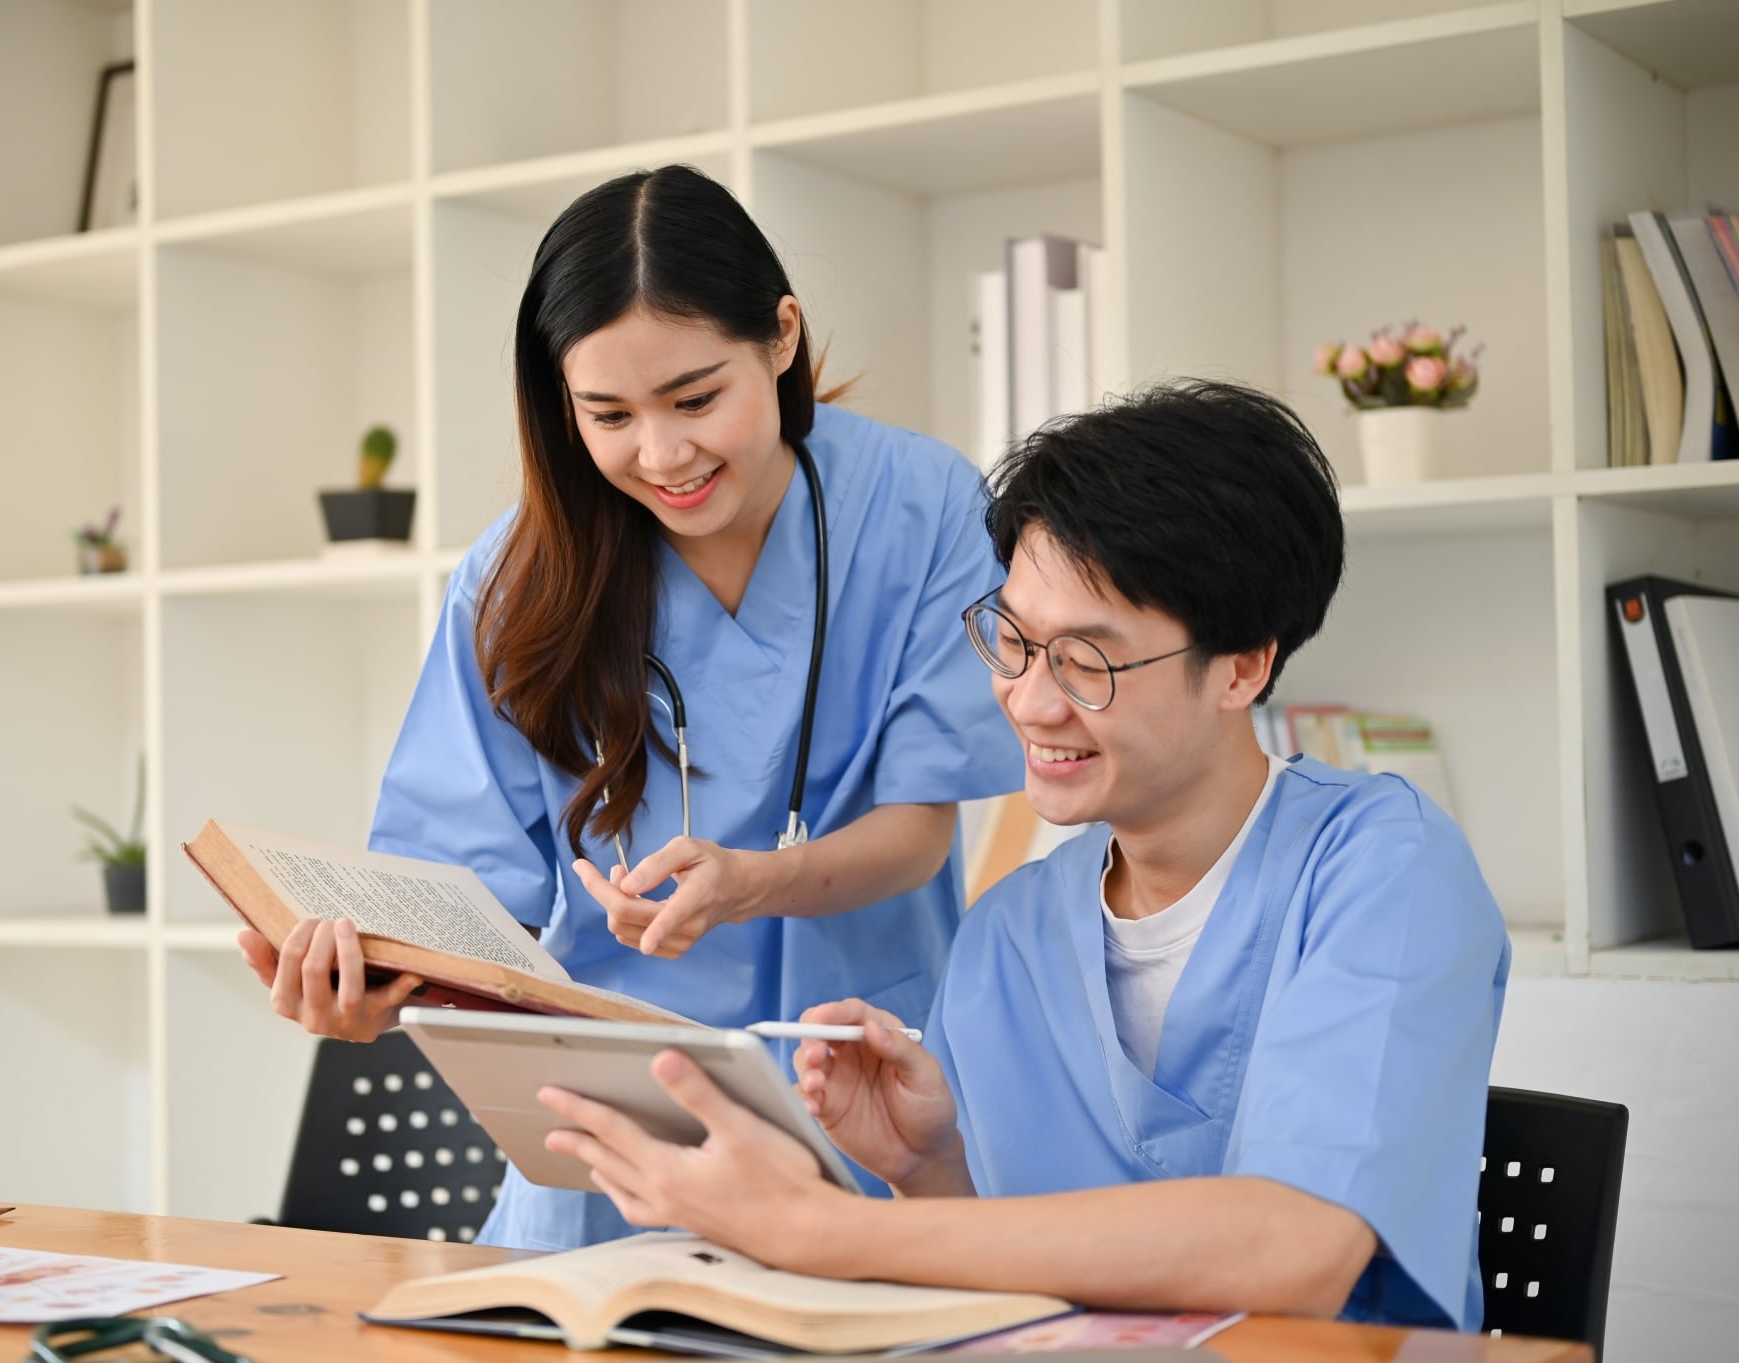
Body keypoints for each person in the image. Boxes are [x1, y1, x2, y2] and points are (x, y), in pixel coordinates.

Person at [537, 380, 1512, 1330]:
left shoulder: (1384, 869)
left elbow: (1298, 1244)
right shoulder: (1009, 929)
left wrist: (819, 1228)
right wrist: (926, 1169)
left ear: (1242, 665)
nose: (1029, 702)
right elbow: (1021, 1280)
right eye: (1013, 640)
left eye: (1087, 661)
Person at [235, 164, 1022, 1251]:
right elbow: (471, 900)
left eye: (696, 399)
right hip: (607, 1143)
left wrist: (757, 881)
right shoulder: (516, 576)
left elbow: (919, 831)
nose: (662, 455)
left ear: (780, 336)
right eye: (608, 414)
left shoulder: (924, 507)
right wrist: (376, 987)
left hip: (856, 1108)